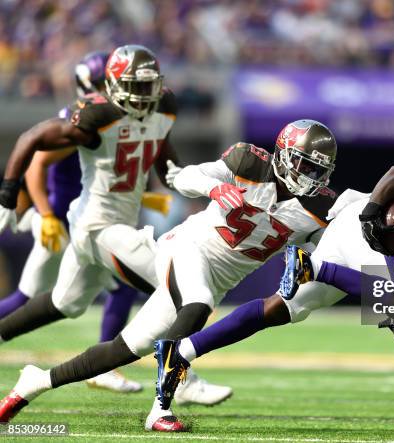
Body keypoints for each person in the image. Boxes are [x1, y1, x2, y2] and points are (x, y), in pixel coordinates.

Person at [0, 118, 339, 432]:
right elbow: (188, 176)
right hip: (187, 248)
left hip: (218, 279)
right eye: (305, 164)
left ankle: (33, 383)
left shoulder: (320, 209)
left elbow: (328, 251)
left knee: (124, 349)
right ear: (283, 153)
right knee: (199, 303)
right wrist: (215, 189)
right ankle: (161, 408)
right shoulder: (249, 162)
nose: (311, 176)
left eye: (318, 170)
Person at [145, 163, 394, 430]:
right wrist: (371, 211)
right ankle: (313, 267)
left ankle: (181, 353)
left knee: (284, 309)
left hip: (383, 258)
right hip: (373, 231)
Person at [0, 44, 231, 408]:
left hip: (104, 225)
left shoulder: (164, 108)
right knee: (183, 290)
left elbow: (162, 154)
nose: (142, 96)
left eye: (147, 86)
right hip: (98, 226)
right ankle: (177, 377)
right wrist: (8, 193)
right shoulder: (98, 115)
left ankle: (16, 352)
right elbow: (32, 140)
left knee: (66, 303)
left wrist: (183, 180)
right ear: (112, 84)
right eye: (134, 87)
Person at [0, 51, 149, 393]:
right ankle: (105, 367)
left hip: (84, 220)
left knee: (122, 284)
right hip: (63, 221)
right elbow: (36, 165)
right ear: (88, 85)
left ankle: (105, 368)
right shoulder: (82, 119)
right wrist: (47, 215)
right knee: (27, 301)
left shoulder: (113, 118)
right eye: (102, 83)